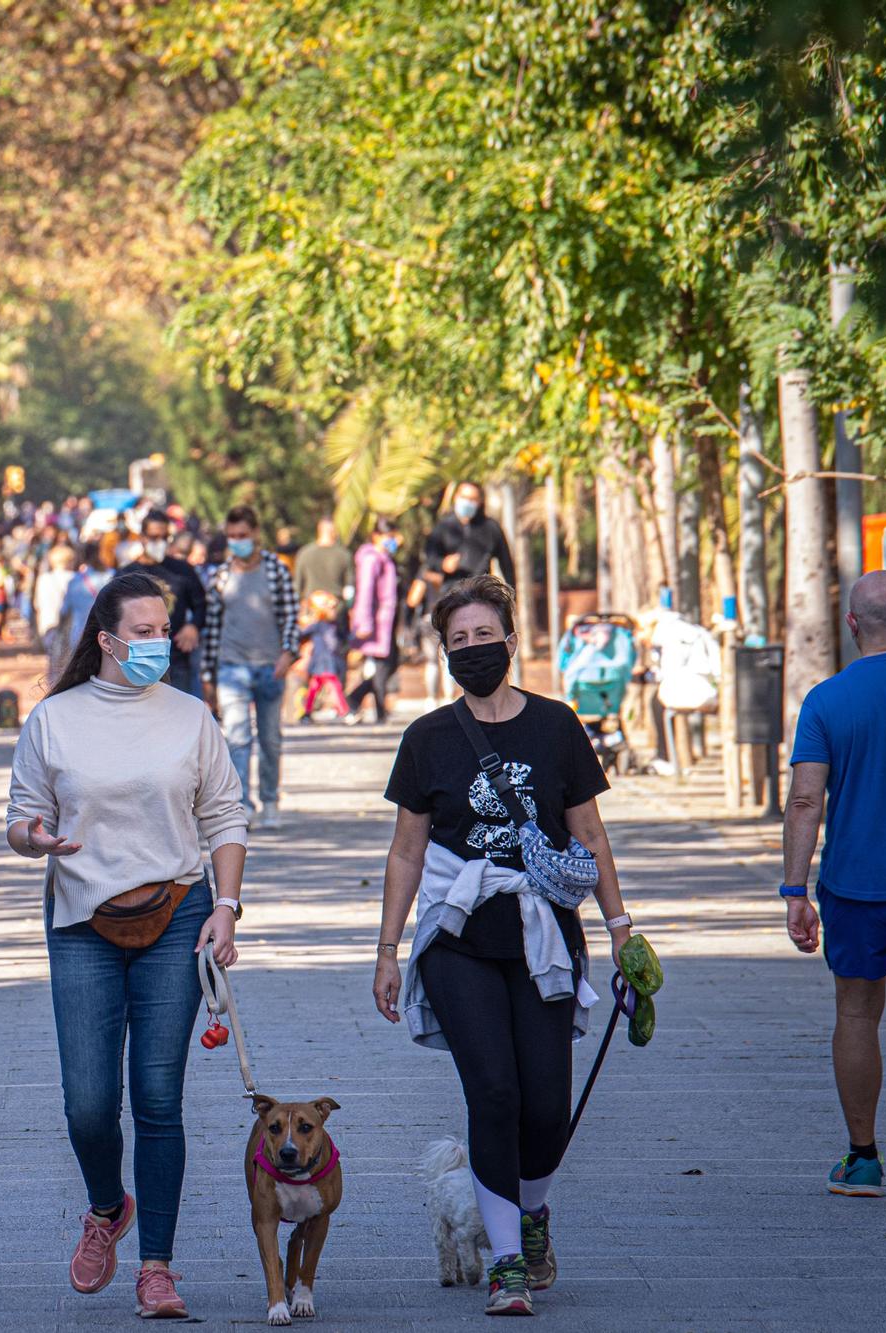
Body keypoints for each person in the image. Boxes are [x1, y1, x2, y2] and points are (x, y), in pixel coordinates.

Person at [372, 576, 637, 1316]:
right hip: (458, 938)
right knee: (493, 1090)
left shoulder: (556, 727)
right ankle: (508, 1262)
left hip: (544, 934)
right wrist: (389, 948)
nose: (473, 650)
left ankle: (534, 1208)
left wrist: (622, 931)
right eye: (458, 641)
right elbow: (405, 851)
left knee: (546, 1105)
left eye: (484, 635)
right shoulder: (426, 739)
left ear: (512, 639)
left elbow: (589, 834)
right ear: (445, 653)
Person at [6, 571, 248, 1321]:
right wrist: (35, 838)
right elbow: (20, 818)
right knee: (87, 1105)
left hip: (178, 913)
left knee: (156, 1097)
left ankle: (156, 1268)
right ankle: (108, 1207)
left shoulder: (190, 715)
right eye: (141, 630)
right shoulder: (54, 718)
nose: (159, 641)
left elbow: (226, 815)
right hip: (82, 921)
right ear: (105, 640)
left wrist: (228, 908)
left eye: (163, 627)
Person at [781, 570, 886, 1199]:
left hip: (854, 885)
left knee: (855, 1013)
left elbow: (806, 800)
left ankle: (863, 1159)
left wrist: (796, 890)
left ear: (851, 625)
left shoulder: (827, 700)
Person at [202, 505, 299, 830]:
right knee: (238, 738)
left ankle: (270, 799)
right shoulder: (221, 575)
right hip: (232, 666)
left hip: (270, 666)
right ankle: (241, 805)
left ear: (255, 534)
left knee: (270, 738)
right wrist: (208, 675)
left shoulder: (276, 570)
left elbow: (290, 616)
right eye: (232, 537)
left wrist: (288, 653)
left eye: (242, 535)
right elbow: (212, 628)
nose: (237, 542)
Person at [137, 510, 209, 698]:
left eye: (164, 537)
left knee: (180, 719)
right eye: (154, 537)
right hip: (139, 661)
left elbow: (202, 605)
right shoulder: (127, 574)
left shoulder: (183, 570)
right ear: (143, 538)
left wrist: (193, 627)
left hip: (176, 658)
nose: (159, 542)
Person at [421, 481, 517, 600]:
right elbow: (430, 558)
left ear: (480, 501)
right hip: (451, 595)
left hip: (482, 595)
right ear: (456, 497)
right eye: (464, 497)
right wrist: (443, 564)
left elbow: (506, 565)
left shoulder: (491, 527)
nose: (467, 502)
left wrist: (513, 597)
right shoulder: (444, 526)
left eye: (473, 499)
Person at [346, 518, 402, 723]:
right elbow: (365, 592)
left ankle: (366, 702)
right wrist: (364, 622)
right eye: (389, 536)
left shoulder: (385, 558)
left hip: (386, 621)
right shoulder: (371, 559)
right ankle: (362, 701)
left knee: (386, 664)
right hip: (376, 622)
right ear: (377, 536)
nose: (393, 540)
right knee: (384, 665)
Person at [297, 589, 351, 722]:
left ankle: (309, 712)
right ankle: (341, 711)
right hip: (323, 662)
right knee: (326, 688)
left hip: (325, 662)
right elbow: (301, 633)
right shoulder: (321, 625)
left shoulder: (328, 625)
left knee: (320, 688)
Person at [33, 543, 80, 680]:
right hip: (71, 624)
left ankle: (53, 691)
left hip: (49, 622)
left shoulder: (43, 579)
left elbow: (38, 605)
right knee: (70, 660)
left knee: (53, 660)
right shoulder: (76, 578)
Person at [293, 517, 354, 610]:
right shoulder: (344, 555)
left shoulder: (304, 553)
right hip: (336, 610)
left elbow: (297, 586)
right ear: (335, 532)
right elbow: (349, 589)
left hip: (311, 610)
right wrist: (349, 607)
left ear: (319, 530)